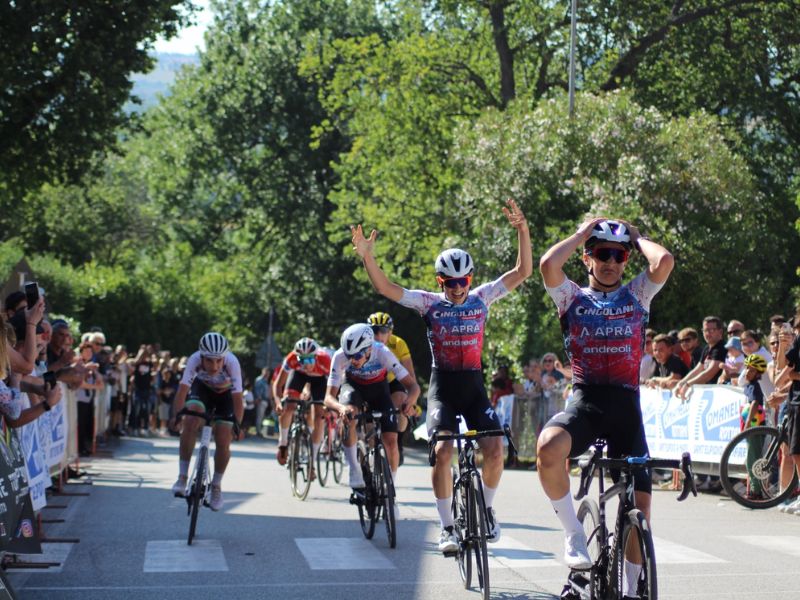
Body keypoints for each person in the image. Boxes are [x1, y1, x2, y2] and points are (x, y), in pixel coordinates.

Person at [351, 198, 532, 553]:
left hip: (475, 388)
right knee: (443, 450)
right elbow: (386, 289)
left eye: (462, 281)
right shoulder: (428, 303)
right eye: (449, 282)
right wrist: (367, 257)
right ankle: (448, 527)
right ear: (441, 281)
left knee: (495, 450)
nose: (457, 288)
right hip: (443, 389)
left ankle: (489, 510)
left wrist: (522, 231)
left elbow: (522, 271)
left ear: (471, 278)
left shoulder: (482, 298)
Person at [536, 217, 673, 588]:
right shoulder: (571, 297)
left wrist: (637, 236)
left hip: (627, 411)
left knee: (639, 508)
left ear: (626, 259)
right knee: (548, 448)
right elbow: (548, 265)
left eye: (618, 254)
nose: (611, 261)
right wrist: (581, 233)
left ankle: (632, 588)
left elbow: (664, 262)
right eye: (602, 253)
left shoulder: (638, 294)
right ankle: (574, 533)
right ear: (588, 258)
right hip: (587, 403)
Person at [324, 324, 420, 502]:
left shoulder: (382, 352)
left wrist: (410, 401)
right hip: (353, 387)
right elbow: (328, 397)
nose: (353, 360)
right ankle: (355, 472)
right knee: (349, 414)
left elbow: (412, 386)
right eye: (349, 356)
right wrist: (340, 408)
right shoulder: (339, 356)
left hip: (379, 390)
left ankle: (390, 491)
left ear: (369, 348)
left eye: (358, 356)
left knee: (391, 441)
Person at [170, 332, 244, 511]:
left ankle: (216, 486)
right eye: (210, 361)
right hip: (202, 390)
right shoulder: (194, 360)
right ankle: (182, 476)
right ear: (201, 357)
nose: (215, 366)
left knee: (224, 436)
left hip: (225, 396)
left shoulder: (232, 363)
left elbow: (238, 400)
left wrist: (237, 425)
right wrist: (177, 416)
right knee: (190, 418)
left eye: (219, 361)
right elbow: (182, 392)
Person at [272, 338, 331, 474]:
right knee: (289, 406)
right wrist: (278, 402)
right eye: (301, 360)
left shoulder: (325, 360)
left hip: (319, 380)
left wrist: (329, 406)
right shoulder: (291, 358)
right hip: (299, 376)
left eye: (309, 360)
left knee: (319, 416)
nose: (305, 364)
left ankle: (312, 460)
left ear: (316, 357)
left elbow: (334, 386)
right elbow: (278, 384)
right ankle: (283, 443)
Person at [367, 311, 417, 465]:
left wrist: (412, 401)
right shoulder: (364, 343)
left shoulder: (398, 343)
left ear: (390, 332)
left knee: (402, 402)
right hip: (371, 382)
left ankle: (399, 442)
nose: (378, 335)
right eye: (374, 331)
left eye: (383, 331)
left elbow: (410, 374)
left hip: (391, 381)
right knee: (368, 421)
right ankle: (370, 453)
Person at [739, 354, 769, 500]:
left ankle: (756, 491)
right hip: (752, 426)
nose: (747, 372)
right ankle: (754, 488)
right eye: (746, 369)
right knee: (750, 458)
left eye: (751, 370)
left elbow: (755, 403)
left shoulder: (755, 386)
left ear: (757, 373)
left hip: (755, 427)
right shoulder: (749, 385)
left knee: (753, 458)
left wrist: (748, 422)